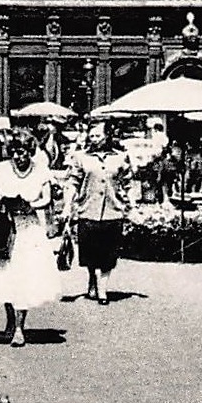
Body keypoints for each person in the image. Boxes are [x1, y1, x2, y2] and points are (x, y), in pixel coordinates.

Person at [0, 132, 61, 346]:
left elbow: (47, 198)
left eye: (21, 152)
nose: (17, 156)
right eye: (13, 152)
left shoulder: (41, 170)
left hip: (28, 228)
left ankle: (19, 329)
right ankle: (9, 322)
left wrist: (30, 205)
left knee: (24, 276)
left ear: (30, 151)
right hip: (4, 227)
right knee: (5, 276)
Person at [63, 126, 133, 304]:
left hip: (113, 210)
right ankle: (93, 278)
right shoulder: (81, 157)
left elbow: (127, 182)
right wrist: (67, 205)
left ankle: (103, 290)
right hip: (88, 210)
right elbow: (73, 182)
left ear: (107, 136)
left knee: (109, 254)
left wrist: (131, 205)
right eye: (91, 136)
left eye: (98, 135)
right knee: (90, 254)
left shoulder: (120, 157)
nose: (94, 139)